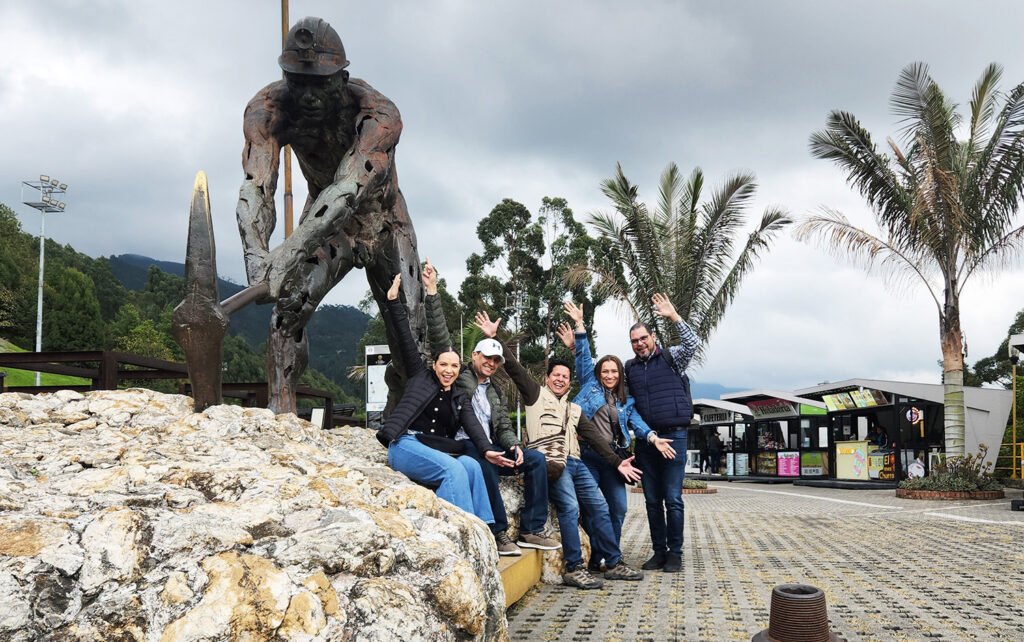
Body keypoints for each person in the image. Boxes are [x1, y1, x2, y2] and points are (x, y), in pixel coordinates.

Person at [236, 17, 424, 414]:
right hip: (325, 223)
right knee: (289, 308)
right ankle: (281, 411)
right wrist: (257, 255)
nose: (308, 96)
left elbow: (349, 187)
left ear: (342, 79)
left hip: (383, 221)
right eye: (298, 82)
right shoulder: (268, 109)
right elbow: (257, 185)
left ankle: (403, 404)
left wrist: (289, 251)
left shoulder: (379, 113)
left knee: (410, 338)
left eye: (320, 84)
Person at [475, 311, 645, 589]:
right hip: (555, 464)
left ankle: (614, 562)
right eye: (556, 375)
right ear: (547, 378)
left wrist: (617, 462)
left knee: (600, 507)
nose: (561, 380)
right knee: (570, 506)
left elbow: (596, 439)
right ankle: (574, 567)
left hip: (576, 462)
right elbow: (515, 369)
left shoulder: (574, 409)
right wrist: (495, 339)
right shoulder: (535, 395)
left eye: (565, 377)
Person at [421, 260, 560, 556]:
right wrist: (432, 292)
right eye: (486, 357)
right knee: (483, 464)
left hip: (493, 445)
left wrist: (513, 446)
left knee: (536, 459)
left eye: (496, 360)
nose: (491, 363)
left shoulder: (494, 390)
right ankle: (498, 531)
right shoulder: (459, 376)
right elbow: (440, 339)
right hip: (464, 444)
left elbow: (504, 426)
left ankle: (531, 529)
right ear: (474, 356)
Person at [375, 274, 514, 529]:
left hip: (436, 449)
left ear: (459, 369)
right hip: (406, 444)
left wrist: (487, 450)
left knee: (471, 465)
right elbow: (405, 338)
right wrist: (393, 302)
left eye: (454, 366)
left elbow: (473, 425)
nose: (449, 370)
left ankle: (483, 529)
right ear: (434, 365)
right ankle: (462, 530)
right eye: (444, 365)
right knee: (454, 469)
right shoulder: (419, 376)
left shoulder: (458, 395)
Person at [556, 302, 675, 572]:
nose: (609, 375)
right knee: (591, 507)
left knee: (618, 508)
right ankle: (596, 556)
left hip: (613, 460)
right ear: (599, 373)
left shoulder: (626, 400)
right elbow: (583, 356)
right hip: (587, 456)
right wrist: (580, 325)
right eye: (605, 371)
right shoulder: (589, 385)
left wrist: (653, 437)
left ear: (620, 375)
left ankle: (609, 554)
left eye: (614, 371)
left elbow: (638, 423)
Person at [625, 293, 700, 574]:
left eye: (643, 338)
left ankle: (675, 553)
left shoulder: (671, 358)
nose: (640, 344)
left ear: (653, 337)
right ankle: (658, 552)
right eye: (634, 341)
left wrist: (674, 316)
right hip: (647, 441)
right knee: (652, 500)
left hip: (674, 437)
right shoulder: (630, 368)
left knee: (673, 499)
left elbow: (693, 344)